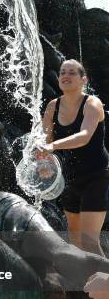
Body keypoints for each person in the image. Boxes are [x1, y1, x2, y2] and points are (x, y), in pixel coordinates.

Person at [39, 59, 109, 256]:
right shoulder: (52, 107)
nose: (65, 76)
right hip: (70, 178)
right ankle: (83, 286)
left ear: (83, 79)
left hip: (97, 177)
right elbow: (44, 141)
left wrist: (52, 146)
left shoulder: (92, 104)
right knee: (75, 240)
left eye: (71, 73)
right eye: (62, 73)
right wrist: (43, 162)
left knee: (89, 242)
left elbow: (84, 136)